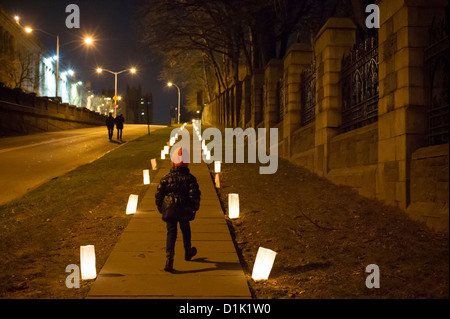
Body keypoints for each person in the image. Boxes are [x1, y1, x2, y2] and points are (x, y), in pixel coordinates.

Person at [155, 147, 201, 272]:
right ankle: (188, 251)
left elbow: (159, 195)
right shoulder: (190, 179)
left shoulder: (165, 178)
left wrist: (161, 208)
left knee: (171, 233)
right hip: (184, 209)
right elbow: (194, 195)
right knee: (185, 229)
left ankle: (169, 259)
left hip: (170, 209)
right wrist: (194, 208)